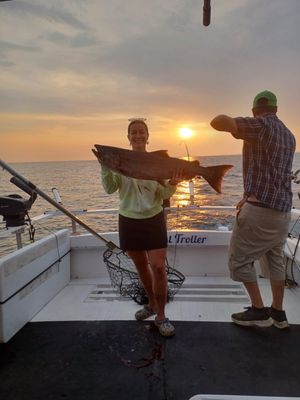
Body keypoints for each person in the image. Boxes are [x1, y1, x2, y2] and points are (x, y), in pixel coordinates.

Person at [210, 90, 296, 329]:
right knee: (275, 259)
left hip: (259, 211)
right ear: (277, 109)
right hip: (282, 211)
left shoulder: (259, 126)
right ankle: (278, 313)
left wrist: (236, 122)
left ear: (254, 111)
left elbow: (218, 122)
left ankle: (259, 310)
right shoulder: (289, 136)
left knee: (239, 260)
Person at [98, 119, 183, 337]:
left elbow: (163, 195)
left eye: (141, 132)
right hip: (128, 220)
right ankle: (152, 304)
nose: (137, 135)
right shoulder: (119, 161)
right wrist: (105, 166)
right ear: (128, 137)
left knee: (158, 267)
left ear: (147, 136)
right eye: (133, 132)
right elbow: (109, 189)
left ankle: (161, 316)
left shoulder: (157, 161)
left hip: (153, 219)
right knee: (141, 267)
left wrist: (173, 183)